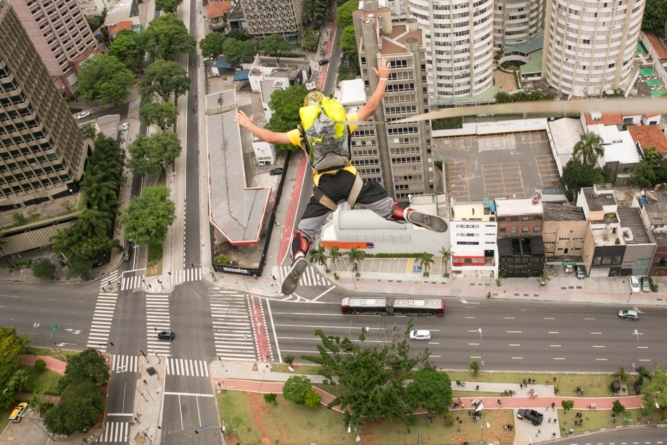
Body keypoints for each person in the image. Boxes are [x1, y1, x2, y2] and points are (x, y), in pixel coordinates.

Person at [235, 59, 447, 295]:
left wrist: (248, 125)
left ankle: (299, 256)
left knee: (304, 232)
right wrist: (384, 77)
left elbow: (271, 137)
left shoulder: (302, 133)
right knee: (388, 209)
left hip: (325, 189)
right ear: (325, 105)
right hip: (351, 181)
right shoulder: (342, 123)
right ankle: (408, 214)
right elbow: (373, 106)